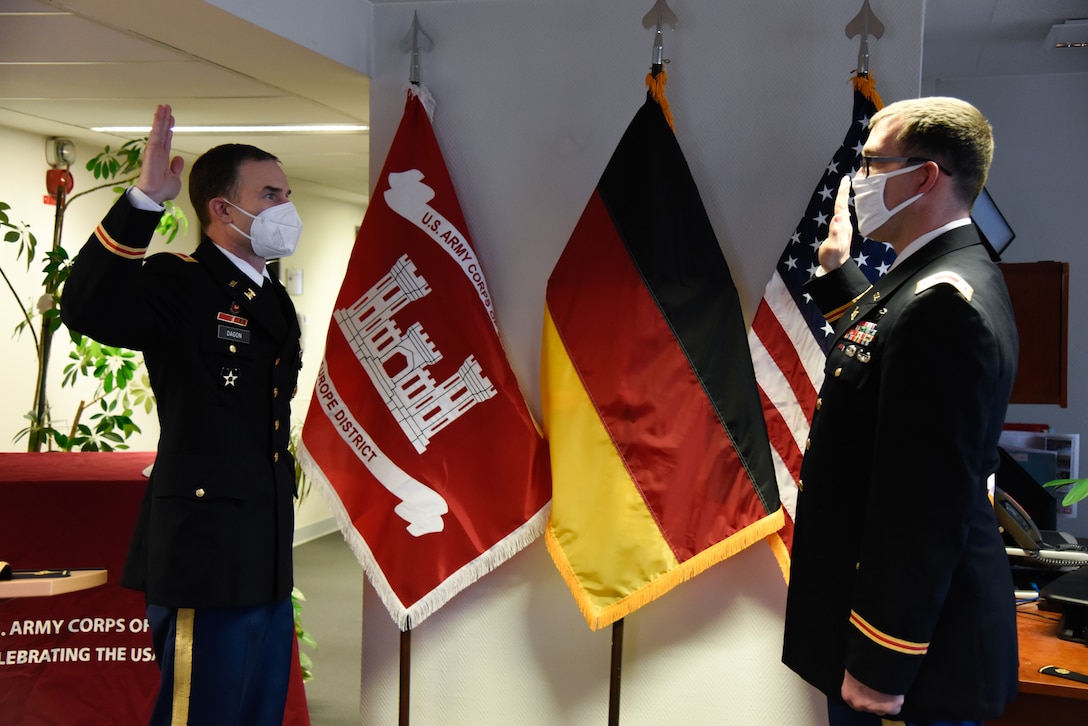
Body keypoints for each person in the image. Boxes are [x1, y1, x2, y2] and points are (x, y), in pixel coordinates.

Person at [62, 104, 304, 725]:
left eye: (286, 193)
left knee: (257, 710)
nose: (285, 207)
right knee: (202, 711)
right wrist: (144, 200)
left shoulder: (270, 296)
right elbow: (88, 305)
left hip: (264, 543)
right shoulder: (181, 284)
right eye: (269, 194)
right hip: (204, 546)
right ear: (222, 209)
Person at [782, 96, 1019, 726]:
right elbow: (886, 365)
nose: (856, 183)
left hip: (913, 659)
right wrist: (837, 276)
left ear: (924, 176)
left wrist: (883, 659)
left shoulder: (945, 304)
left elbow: (923, 502)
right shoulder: (939, 278)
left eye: (869, 165)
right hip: (898, 633)